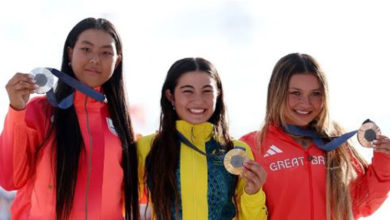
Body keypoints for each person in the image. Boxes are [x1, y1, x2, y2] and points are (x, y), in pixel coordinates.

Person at [0, 17, 139, 220]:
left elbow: (144, 189)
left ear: (117, 61)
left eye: (106, 52)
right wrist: (16, 110)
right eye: (86, 49)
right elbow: (9, 178)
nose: (95, 59)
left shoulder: (121, 123)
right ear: (70, 52)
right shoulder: (41, 112)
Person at [240, 53, 390, 220]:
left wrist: (385, 160)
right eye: (295, 93)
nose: (306, 103)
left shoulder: (336, 143)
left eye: (315, 93)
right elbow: (238, 211)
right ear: (277, 93)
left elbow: (362, 203)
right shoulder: (252, 146)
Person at [137, 57, 268, 220]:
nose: (198, 100)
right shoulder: (147, 147)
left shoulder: (236, 150)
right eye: (187, 91)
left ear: (218, 94)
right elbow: (120, 203)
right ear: (170, 96)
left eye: (207, 90)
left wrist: (253, 193)